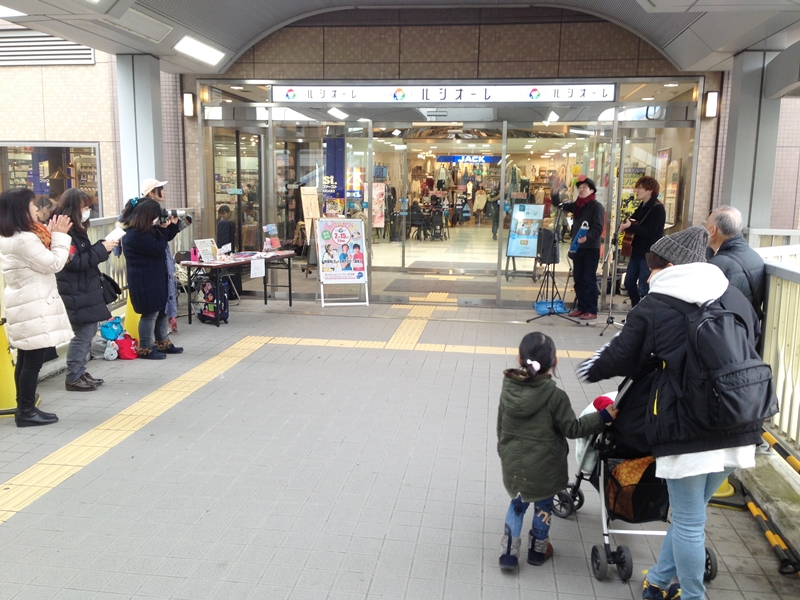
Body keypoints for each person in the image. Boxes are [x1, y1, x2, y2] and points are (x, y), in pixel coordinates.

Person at [577, 226, 762, 600]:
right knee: (690, 514)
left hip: (688, 428)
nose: (649, 275)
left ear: (673, 267)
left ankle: (693, 596)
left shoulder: (657, 304)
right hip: (743, 416)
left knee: (689, 521)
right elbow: (751, 341)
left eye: (654, 266)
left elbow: (621, 354)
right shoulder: (732, 295)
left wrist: (587, 368)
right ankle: (659, 581)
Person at [497, 332, 617, 573]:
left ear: (519, 358)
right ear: (555, 361)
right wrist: (603, 417)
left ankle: (508, 555)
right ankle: (538, 550)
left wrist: (504, 451)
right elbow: (573, 429)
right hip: (545, 469)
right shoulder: (555, 396)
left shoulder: (508, 389)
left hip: (514, 466)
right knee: (543, 506)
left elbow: (501, 426)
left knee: (517, 506)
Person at [0, 187, 73, 426]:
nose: (35, 208)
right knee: (32, 361)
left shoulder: (12, 236)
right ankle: (26, 411)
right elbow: (54, 263)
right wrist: (60, 237)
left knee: (25, 358)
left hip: (24, 303)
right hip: (33, 305)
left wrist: (51, 233)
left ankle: (25, 407)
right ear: (21, 209)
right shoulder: (25, 239)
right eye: (32, 205)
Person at [52, 189, 119, 391]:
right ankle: (74, 375)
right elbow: (74, 262)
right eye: (85, 207)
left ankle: (79, 372)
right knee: (83, 332)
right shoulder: (64, 232)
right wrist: (101, 249)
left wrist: (102, 247)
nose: (87, 211)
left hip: (82, 288)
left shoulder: (75, 229)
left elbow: (83, 257)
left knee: (87, 330)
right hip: (74, 289)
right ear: (74, 208)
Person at [121, 199, 183, 359]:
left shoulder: (146, 230)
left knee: (161, 310)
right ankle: (146, 347)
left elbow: (164, 238)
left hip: (155, 278)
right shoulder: (134, 235)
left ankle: (163, 342)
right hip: (143, 281)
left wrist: (172, 225)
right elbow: (157, 247)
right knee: (149, 314)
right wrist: (163, 229)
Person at [554, 178, 605, 320]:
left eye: (584, 187)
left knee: (588, 279)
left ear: (592, 190)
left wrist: (587, 237)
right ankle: (581, 308)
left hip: (590, 248)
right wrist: (555, 192)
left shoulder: (597, 207)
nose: (581, 190)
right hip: (577, 247)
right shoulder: (577, 205)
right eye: (579, 188)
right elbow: (559, 205)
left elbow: (598, 228)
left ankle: (591, 310)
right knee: (578, 278)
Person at [705, 205, 765, 315]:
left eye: (706, 227)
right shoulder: (756, 258)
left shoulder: (716, 265)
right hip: (748, 323)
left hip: (725, 323)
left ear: (713, 231)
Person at [619, 176, 666, 308]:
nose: (637, 191)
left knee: (644, 286)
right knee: (629, 282)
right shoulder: (642, 206)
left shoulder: (657, 208)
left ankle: (645, 314)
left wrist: (631, 227)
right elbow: (633, 223)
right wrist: (624, 226)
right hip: (636, 251)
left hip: (648, 252)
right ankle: (636, 308)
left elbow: (650, 232)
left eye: (640, 188)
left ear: (650, 190)